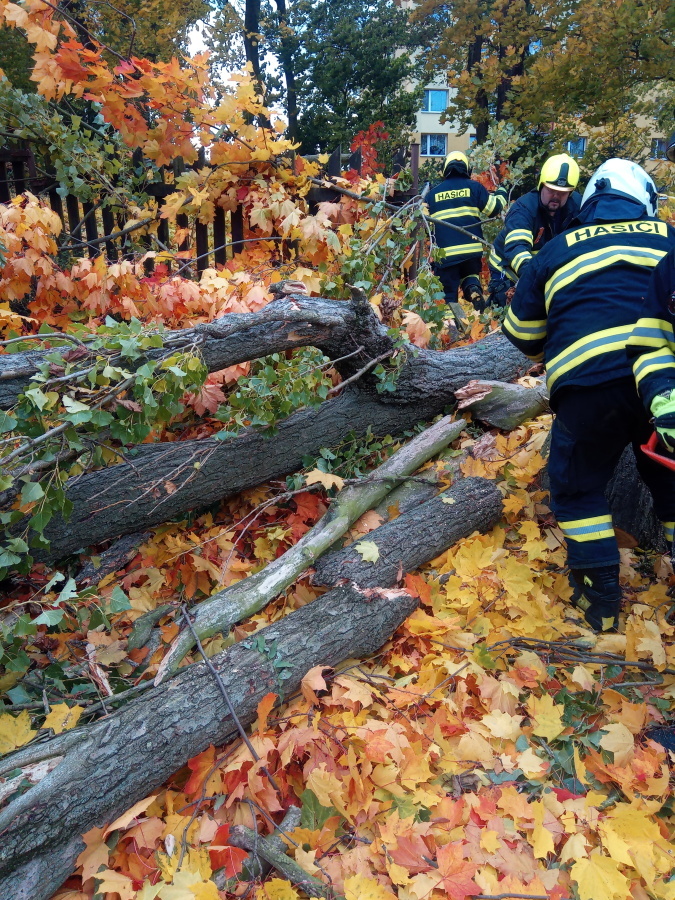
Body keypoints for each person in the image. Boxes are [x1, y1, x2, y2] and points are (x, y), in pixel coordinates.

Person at [501, 158, 675, 632]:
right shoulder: (669, 237)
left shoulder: (555, 249)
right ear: (644, 200)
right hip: (662, 382)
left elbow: (520, 333)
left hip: (586, 386)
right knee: (670, 481)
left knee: (578, 488)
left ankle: (600, 602)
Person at [488, 154, 582, 306]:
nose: (556, 196)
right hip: (507, 267)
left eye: (562, 192)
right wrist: (537, 279)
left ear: (571, 193)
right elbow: (516, 249)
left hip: (544, 268)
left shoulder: (577, 207)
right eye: (551, 190)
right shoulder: (524, 209)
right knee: (512, 306)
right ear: (541, 185)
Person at [426, 150, 508, 312]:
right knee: (469, 275)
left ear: (445, 169)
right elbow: (494, 209)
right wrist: (501, 192)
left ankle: (454, 328)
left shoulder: (432, 194)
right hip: (472, 250)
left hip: (445, 254)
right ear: (467, 169)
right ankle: (473, 289)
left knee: (448, 297)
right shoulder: (474, 188)